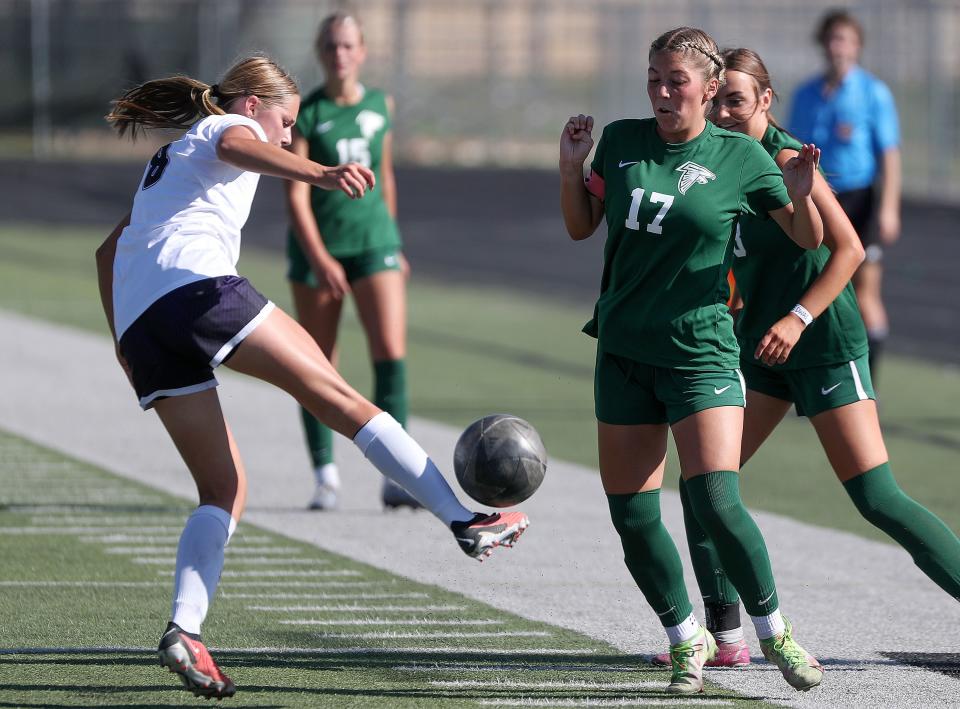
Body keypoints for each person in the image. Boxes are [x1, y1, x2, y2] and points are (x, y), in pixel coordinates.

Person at [95, 54, 529, 700]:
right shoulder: (222, 129)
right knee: (342, 398)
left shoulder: (172, 164)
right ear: (249, 103)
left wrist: (123, 344)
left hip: (143, 322)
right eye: (286, 121)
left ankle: (185, 628)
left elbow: (108, 251)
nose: (289, 136)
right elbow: (243, 144)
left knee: (224, 486)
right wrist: (321, 171)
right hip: (197, 289)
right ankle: (463, 519)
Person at [649, 45, 960, 669]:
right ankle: (727, 638)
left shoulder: (787, 158)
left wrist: (797, 317)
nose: (727, 112)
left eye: (739, 100)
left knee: (877, 497)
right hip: (762, 349)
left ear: (766, 100)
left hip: (819, 342)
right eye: (720, 100)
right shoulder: (713, 160)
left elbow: (847, 249)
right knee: (704, 485)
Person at [559, 26, 824, 695]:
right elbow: (580, 225)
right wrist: (571, 167)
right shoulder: (620, 141)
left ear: (708, 89)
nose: (661, 91)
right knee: (632, 513)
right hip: (623, 350)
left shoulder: (741, 154)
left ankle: (776, 631)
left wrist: (801, 190)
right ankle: (686, 637)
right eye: (653, 77)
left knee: (714, 496)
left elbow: (806, 237)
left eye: (675, 80)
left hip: (700, 349)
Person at [286, 12, 418, 511]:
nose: (339, 55)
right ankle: (326, 475)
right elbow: (296, 196)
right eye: (330, 47)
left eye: (347, 46)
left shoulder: (381, 104)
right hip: (319, 251)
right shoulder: (308, 111)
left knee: (390, 353)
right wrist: (319, 257)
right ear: (320, 53)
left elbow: (385, 177)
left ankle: (398, 478)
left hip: (375, 244)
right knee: (318, 365)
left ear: (362, 52)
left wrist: (394, 241)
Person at [789, 9, 902, 384]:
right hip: (820, 198)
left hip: (859, 198)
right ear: (823, 44)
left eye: (846, 40)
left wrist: (888, 208)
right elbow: (789, 147)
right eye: (833, 39)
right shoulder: (806, 94)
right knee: (817, 283)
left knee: (865, 289)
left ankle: (869, 379)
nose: (838, 47)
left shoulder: (873, 93)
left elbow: (889, 153)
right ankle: (816, 371)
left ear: (857, 47)